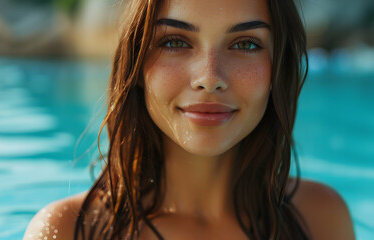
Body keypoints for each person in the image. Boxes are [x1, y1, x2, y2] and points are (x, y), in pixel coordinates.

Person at [24, 0, 355, 239]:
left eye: (245, 44)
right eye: (175, 42)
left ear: (278, 70)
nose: (209, 78)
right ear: (136, 67)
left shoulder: (320, 219)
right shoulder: (69, 230)